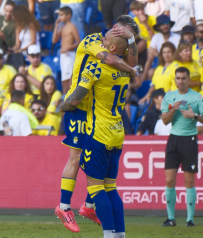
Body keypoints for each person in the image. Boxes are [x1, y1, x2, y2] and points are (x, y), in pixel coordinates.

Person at [55, 16, 140, 232]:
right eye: (126, 35)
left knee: (94, 161)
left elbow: (130, 61)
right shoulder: (92, 40)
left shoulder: (115, 44)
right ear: (116, 29)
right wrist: (131, 71)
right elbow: (113, 60)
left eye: (132, 38)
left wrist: (130, 44)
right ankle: (64, 207)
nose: (129, 40)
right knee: (76, 156)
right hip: (77, 105)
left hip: (94, 109)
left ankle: (89, 205)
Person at [161, 67, 203, 227]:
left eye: (183, 78)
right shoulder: (169, 97)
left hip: (189, 140)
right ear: (174, 79)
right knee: (170, 180)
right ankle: (170, 218)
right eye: (178, 78)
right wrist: (173, 110)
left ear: (188, 80)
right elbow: (164, 120)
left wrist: (194, 116)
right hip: (173, 139)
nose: (180, 81)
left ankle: (190, 219)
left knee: (189, 182)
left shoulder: (196, 97)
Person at [142, 14, 180, 82]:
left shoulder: (177, 37)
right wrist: (160, 56)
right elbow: (151, 50)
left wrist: (160, 54)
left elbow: (177, 54)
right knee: (150, 70)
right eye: (162, 24)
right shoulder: (156, 37)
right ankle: (143, 80)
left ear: (170, 25)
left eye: (167, 23)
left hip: (174, 63)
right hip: (161, 63)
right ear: (159, 27)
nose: (165, 26)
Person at [52, 6, 80, 94]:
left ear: (68, 16)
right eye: (59, 15)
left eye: (62, 15)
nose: (60, 17)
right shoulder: (62, 27)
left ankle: (67, 95)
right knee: (64, 77)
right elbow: (54, 40)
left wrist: (68, 47)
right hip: (63, 55)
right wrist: (56, 27)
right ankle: (64, 95)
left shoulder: (72, 27)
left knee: (68, 78)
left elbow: (79, 42)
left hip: (69, 54)